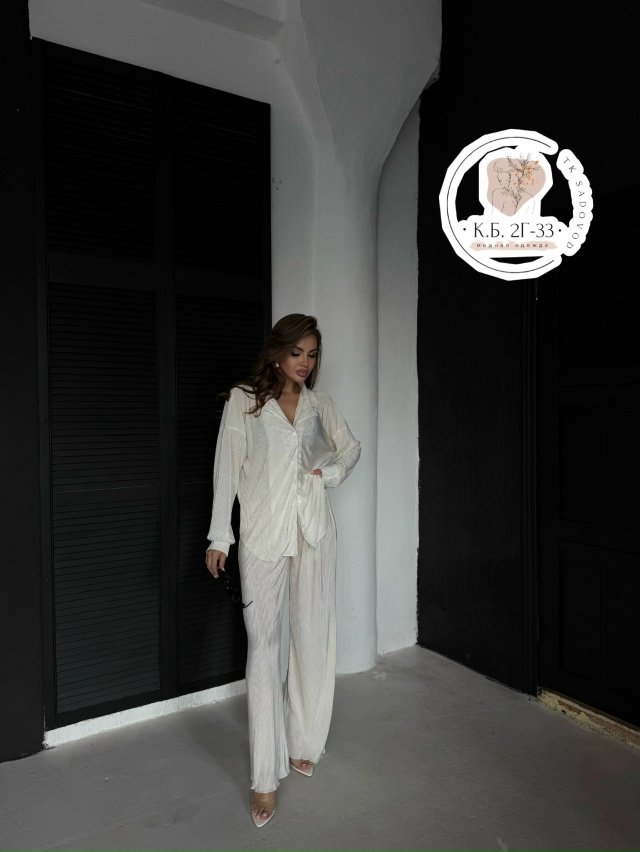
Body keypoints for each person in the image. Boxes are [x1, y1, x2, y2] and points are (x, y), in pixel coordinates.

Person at [204, 314, 361, 827]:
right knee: (264, 647)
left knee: (311, 634)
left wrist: (328, 473)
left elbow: (351, 448)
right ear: (276, 352)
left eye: (312, 354)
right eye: (297, 352)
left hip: (313, 530)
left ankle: (302, 742)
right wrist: (220, 537)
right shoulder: (244, 401)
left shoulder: (320, 404)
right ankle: (264, 777)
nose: (305, 363)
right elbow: (226, 470)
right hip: (263, 536)